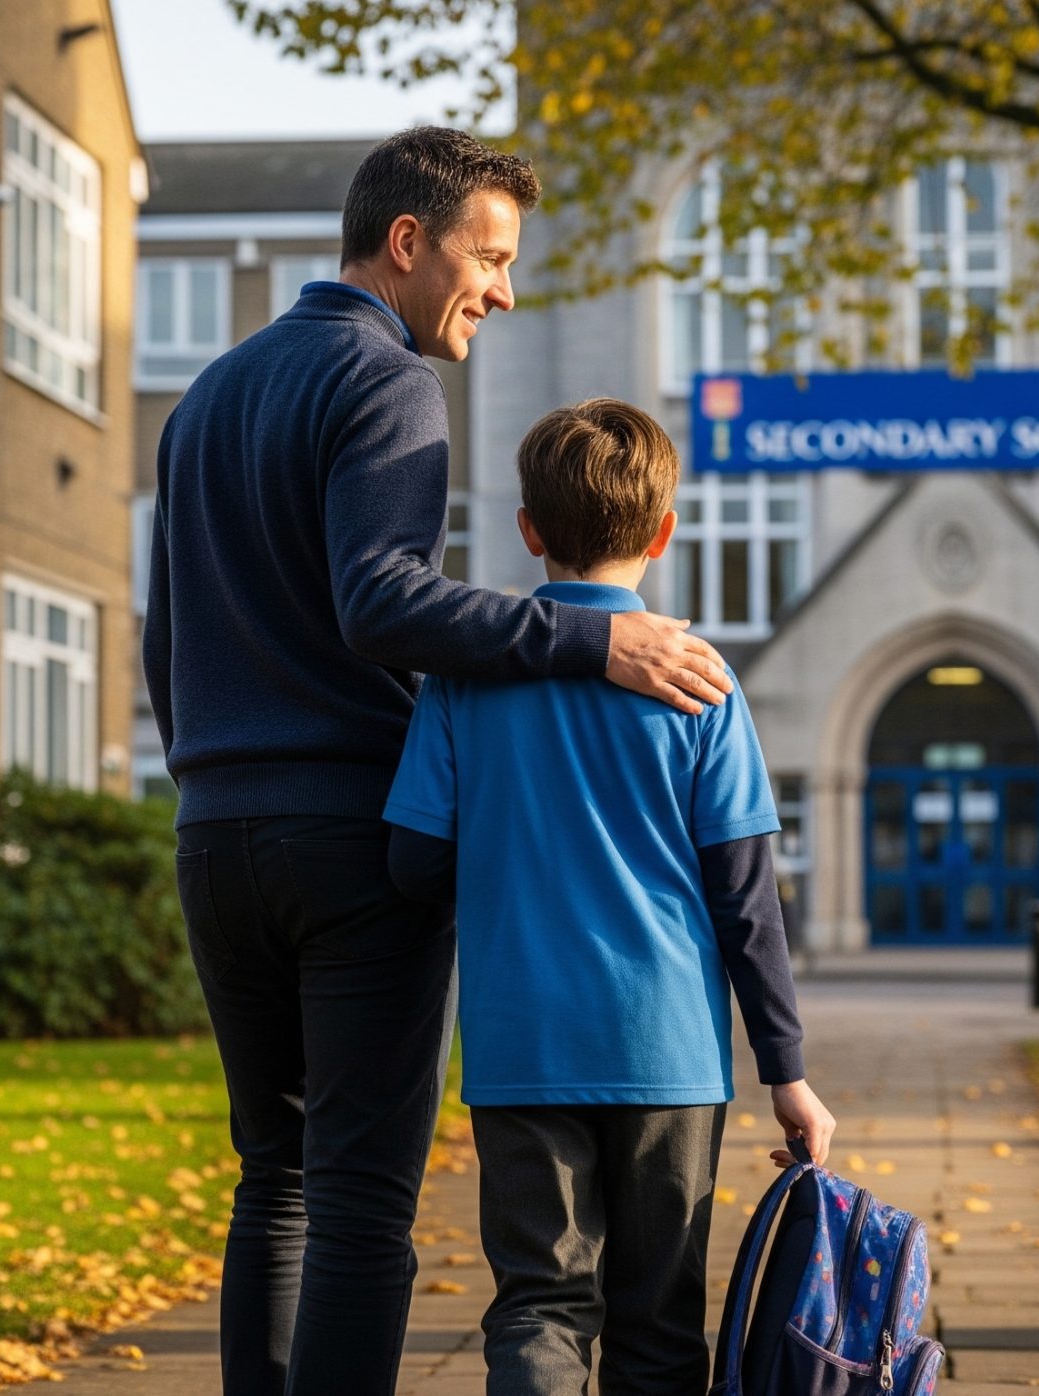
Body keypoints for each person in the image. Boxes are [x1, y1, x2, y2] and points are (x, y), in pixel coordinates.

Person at [143, 128, 733, 1396]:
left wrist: (215, 781)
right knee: (358, 1201)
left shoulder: (206, 397)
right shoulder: (390, 380)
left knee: (276, 1178)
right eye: (491, 256)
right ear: (408, 244)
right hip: (350, 839)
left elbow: (165, 640)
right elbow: (381, 602)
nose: (503, 292)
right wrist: (593, 645)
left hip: (216, 835)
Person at [382, 399, 837, 1395]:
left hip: (521, 1045)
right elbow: (746, 895)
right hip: (667, 1052)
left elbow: (412, 862)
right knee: (660, 1320)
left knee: (540, 1304)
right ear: (664, 532)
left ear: (529, 530)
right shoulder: (701, 681)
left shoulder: (467, 679)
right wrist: (786, 1069)